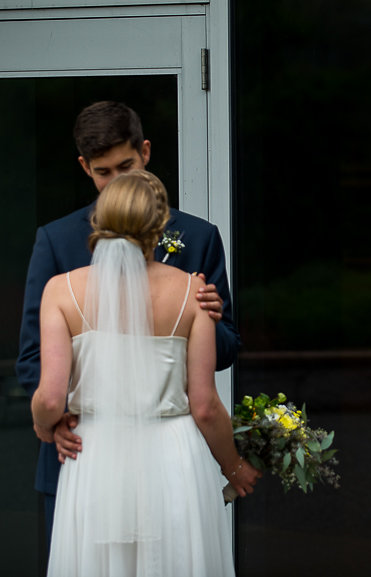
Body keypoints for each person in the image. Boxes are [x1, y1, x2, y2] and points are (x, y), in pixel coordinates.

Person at [16, 100, 241, 548]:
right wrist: (54, 419)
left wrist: (209, 316)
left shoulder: (198, 237)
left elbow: (228, 351)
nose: (117, 182)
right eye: (103, 172)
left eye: (126, 166)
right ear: (84, 167)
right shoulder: (56, 240)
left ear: (147, 152)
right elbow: (31, 361)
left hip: (170, 465)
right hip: (80, 458)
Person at [30, 170, 260, 576]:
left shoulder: (60, 291)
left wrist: (47, 427)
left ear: (98, 221)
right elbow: (205, 406)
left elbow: (50, 398)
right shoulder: (195, 292)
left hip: (94, 455)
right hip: (173, 459)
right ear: (159, 227)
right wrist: (233, 467)